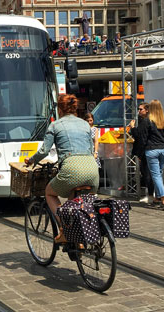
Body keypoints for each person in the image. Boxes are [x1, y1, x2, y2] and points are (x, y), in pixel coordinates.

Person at [24, 94, 98, 243]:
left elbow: (44, 150)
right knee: (75, 204)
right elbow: (91, 149)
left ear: (60, 109)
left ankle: (65, 230)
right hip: (92, 169)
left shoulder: (55, 125)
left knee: (49, 193)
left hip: (72, 169)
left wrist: (31, 160)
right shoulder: (85, 124)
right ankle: (80, 241)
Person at [140, 99, 164, 210]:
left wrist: (140, 153)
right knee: (159, 175)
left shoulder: (148, 121)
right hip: (163, 149)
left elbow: (143, 138)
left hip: (152, 150)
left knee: (156, 175)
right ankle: (157, 199)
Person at [129, 103, 154, 203]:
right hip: (148, 150)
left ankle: (152, 195)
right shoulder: (145, 121)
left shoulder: (145, 122)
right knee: (148, 174)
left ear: (147, 110)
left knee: (148, 174)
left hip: (146, 150)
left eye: (141, 109)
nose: (139, 111)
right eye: (138, 109)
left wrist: (133, 127)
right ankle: (152, 194)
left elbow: (139, 136)